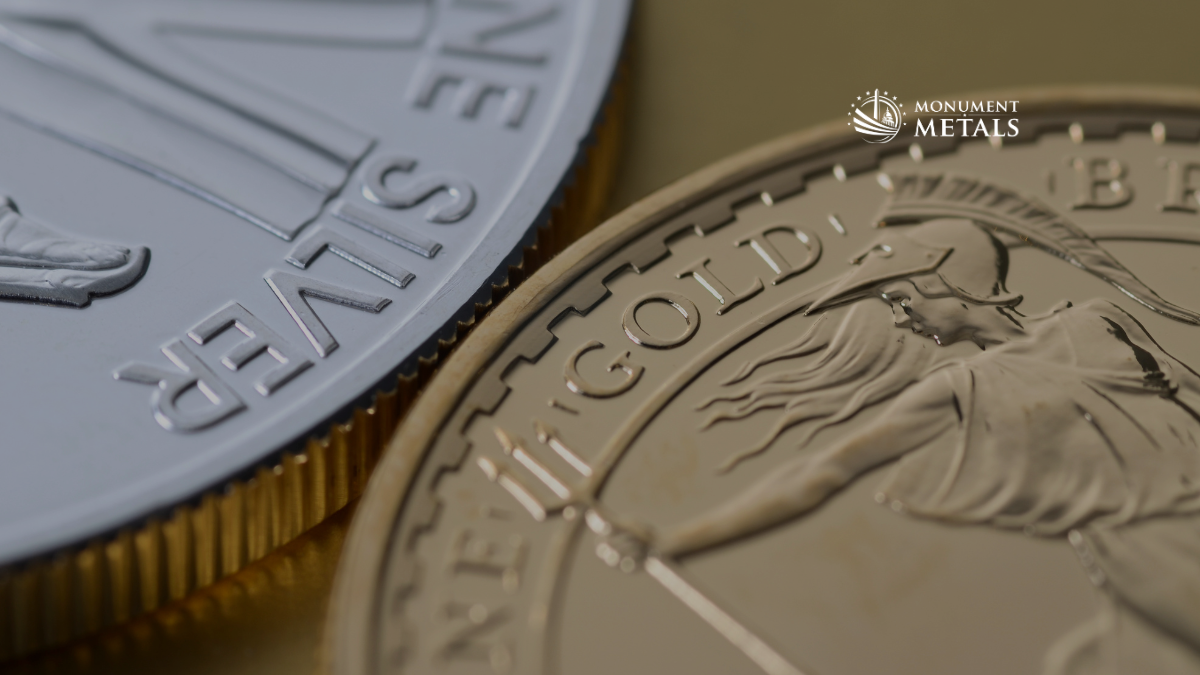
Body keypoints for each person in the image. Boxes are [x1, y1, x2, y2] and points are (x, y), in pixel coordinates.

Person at [663, 174, 1200, 674]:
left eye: (901, 297)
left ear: (946, 278)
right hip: (1145, 549)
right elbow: (823, 471)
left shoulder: (1098, 319)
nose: (900, 316)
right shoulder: (959, 387)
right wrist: (675, 539)